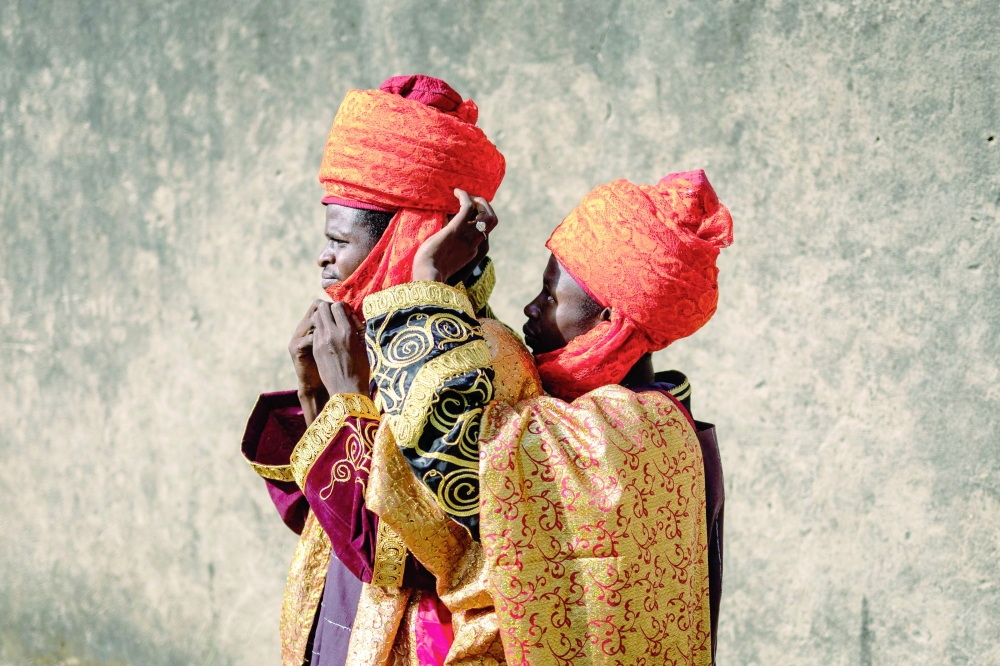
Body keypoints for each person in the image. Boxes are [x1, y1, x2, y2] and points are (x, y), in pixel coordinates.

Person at [313, 170, 731, 664]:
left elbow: (461, 462)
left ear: (608, 323)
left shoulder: (624, 434)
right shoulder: (651, 421)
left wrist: (424, 284)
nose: (532, 308)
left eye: (551, 296)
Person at [240, 75, 514, 666]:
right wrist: (317, 398)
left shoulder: (487, 362)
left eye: (338, 239)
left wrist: (346, 396)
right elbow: (321, 522)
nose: (323, 255)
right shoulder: (369, 338)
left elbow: (403, 554)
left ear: (403, 239)